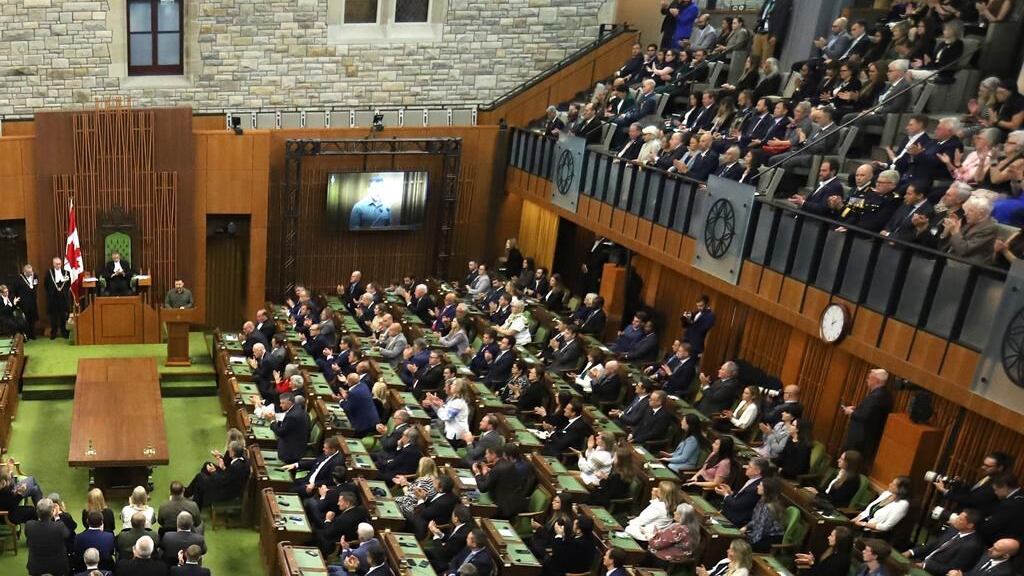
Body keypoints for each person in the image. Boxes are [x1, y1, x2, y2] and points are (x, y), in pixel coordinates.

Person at [903, 508, 984, 576]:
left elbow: (952, 569)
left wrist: (924, 565)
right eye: (958, 516)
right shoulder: (954, 529)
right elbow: (934, 544)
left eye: (960, 519)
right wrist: (911, 552)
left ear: (970, 525)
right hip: (921, 560)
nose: (955, 519)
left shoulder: (971, 546)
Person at [842, 368, 893, 461]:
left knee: (850, 462)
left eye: (869, 378)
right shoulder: (885, 395)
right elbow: (870, 414)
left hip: (861, 439)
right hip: (869, 438)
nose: (867, 380)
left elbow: (864, 416)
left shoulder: (876, 397)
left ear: (876, 381)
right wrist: (857, 410)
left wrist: (851, 412)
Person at [185, 440, 249, 509]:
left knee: (200, 477)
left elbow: (222, 481)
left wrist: (213, 472)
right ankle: (196, 494)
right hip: (228, 482)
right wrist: (222, 463)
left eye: (229, 449)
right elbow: (230, 475)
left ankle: (196, 504)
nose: (228, 450)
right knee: (207, 464)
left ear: (233, 453)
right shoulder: (241, 460)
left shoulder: (236, 467)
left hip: (226, 492)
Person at [717, 458, 769, 527]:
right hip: (730, 512)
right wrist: (731, 492)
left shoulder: (755, 488)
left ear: (757, 471)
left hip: (735, 519)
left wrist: (725, 494)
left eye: (750, 466)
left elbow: (737, 505)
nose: (746, 467)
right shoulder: (753, 480)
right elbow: (742, 496)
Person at [26, 498, 71, 576]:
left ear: (37, 512)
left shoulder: (29, 525)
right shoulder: (59, 526)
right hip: (57, 567)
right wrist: (56, 517)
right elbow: (67, 534)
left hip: (36, 567)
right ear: (52, 512)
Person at [742, 477, 787, 552]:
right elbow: (755, 520)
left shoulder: (768, 507)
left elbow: (762, 529)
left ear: (766, 490)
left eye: (760, 485)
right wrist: (746, 527)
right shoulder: (761, 501)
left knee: (741, 546)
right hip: (760, 534)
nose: (757, 487)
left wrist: (749, 539)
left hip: (769, 539)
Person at [424, 378, 470, 448]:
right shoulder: (453, 399)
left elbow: (446, 417)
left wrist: (433, 404)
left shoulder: (458, 402)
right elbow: (446, 409)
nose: (451, 386)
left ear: (458, 388)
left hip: (455, 434)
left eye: (453, 384)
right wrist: (438, 403)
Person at [426, 506, 474, 572]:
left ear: (456, 519)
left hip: (446, 562)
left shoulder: (459, 536)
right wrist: (440, 533)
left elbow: (441, 554)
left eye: (452, 514)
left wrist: (435, 534)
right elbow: (451, 538)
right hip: (446, 551)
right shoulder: (465, 525)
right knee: (424, 552)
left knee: (423, 561)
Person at [528, 492, 574, 560]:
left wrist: (538, 528)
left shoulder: (562, 521)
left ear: (564, 505)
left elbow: (552, 539)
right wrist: (539, 528)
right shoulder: (556, 515)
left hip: (547, 548)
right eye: (553, 501)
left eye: (557, 502)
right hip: (541, 543)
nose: (553, 503)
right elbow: (549, 533)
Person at [270, 392, 309, 464]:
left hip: (291, 452)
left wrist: (272, 421)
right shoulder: (298, 409)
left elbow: (280, 432)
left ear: (289, 403)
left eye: (282, 403)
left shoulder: (291, 416)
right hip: (299, 441)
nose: (280, 405)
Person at [947, 538, 1020, 576]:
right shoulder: (988, 555)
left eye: (996, 549)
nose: (990, 549)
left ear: (1005, 555)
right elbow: (973, 573)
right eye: (993, 546)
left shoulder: (1004, 573)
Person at [775, 416, 813, 481]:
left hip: (794, 476)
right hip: (783, 471)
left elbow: (799, 468)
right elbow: (782, 457)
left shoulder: (804, 446)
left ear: (798, 429)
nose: (789, 426)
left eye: (792, 425)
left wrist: (782, 470)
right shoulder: (790, 440)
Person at [44, 257, 70, 339]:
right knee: (53, 316)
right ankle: (54, 332)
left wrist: (63, 291)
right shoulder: (49, 273)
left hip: (63, 298)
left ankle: (64, 332)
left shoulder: (66, 272)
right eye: (57, 264)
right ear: (53, 264)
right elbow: (46, 284)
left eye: (59, 264)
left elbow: (68, 284)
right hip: (53, 298)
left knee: (63, 316)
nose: (58, 265)